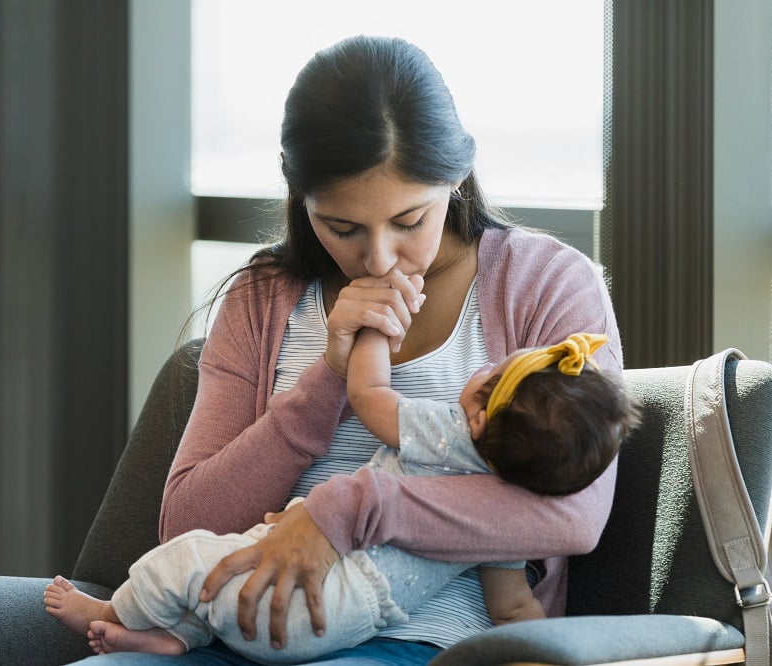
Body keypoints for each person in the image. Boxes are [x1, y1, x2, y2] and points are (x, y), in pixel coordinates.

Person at [68, 34, 625, 665]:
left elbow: (572, 518)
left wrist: (349, 511)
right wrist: (327, 377)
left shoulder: (546, 284)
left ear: (457, 175)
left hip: (428, 641)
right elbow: (186, 522)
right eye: (342, 228)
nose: (379, 257)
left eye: (410, 221)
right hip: (227, 629)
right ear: (302, 202)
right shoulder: (263, 298)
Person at [43, 332, 639, 662]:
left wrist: (374, 332)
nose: (485, 363)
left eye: (492, 370)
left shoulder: (451, 436)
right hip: (350, 621)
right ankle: (179, 637)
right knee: (219, 572)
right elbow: (512, 609)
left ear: (480, 419)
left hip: (314, 593)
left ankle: (113, 612)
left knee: (191, 558)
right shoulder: (510, 524)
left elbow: (372, 395)